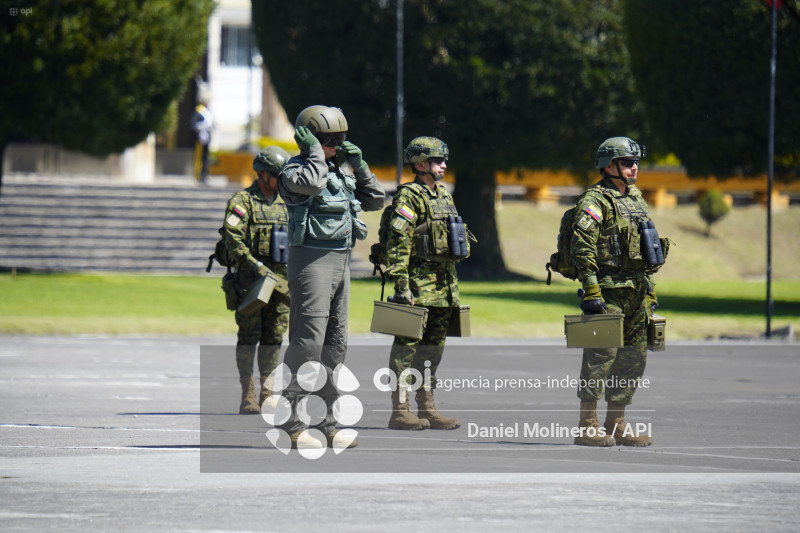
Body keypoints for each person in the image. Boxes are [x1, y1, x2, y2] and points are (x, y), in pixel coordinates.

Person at [277, 105, 384, 449]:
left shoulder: (341, 170)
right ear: (307, 137)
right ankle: (292, 424)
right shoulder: (295, 170)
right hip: (311, 260)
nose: (335, 145)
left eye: (340, 139)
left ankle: (329, 423)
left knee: (334, 346)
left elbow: (376, 200)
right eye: (328, 139)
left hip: (341, 261)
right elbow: (311, 184)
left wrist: (361, 165)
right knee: (308, 342)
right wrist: (312, 152)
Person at [571, 136, 666, 447]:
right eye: (627, 162)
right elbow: (582, 248)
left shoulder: (636, 199)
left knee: (633, 360)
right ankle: (587, 426)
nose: (634, 167)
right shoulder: (594, 201)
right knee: (600, 358)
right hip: (608, 292)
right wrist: (591, 290)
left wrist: (649, 293)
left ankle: (617, 423)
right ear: (608, 166)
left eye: (635, 162)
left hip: (637, 292)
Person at [383, 137, 470, 431]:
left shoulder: (444, 196)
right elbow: (398, 243)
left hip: (444, 288)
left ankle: (427, 407)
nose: (444, 165)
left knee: (433, 350)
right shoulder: (409, 197)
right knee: (407, 348)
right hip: (418, 287)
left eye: (444, 160)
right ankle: (400, 410)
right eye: (437, 160)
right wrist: (401, 286)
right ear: (420, 164)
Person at [221, 146, 291, 414]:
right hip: (251, 282)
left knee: (274, 336)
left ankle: (268, 391)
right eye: (277, 176)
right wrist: (256, 266)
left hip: (281, 283)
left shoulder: (288, 203)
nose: (281, 181)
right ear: (262, 174)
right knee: (249, 337)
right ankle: (247, 393)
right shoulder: (243, 201)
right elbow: (232, 238)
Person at [191, 95, 214, 184]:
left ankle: (204, 175)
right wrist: (198, 130)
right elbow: (194, 122)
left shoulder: (208, 111)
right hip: (201, 136)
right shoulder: (199, 109)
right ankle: (199, 175)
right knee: (199, 156)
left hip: (207, 136)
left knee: (205, 157)